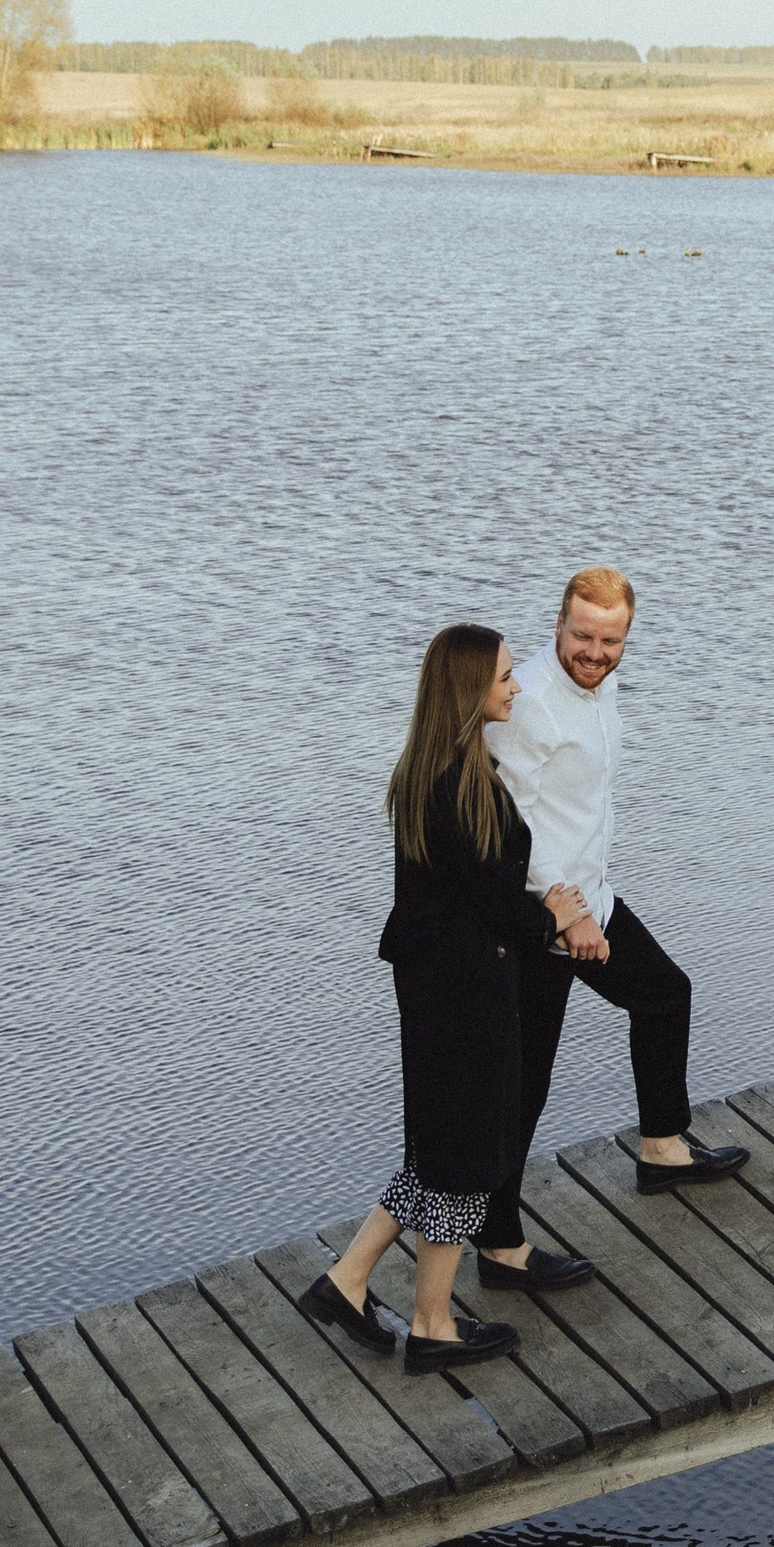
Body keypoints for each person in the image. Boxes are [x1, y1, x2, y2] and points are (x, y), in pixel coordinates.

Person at [298, 623, 601, 1373]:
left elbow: (471, 897)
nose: (516, 686)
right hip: (464, 993)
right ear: (471, 691)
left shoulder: (437, 769)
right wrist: (555, 916)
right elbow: (498, 907)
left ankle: (347, 1280)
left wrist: (537, 913)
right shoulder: (461, 788)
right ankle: (432, 1325)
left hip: (438, 985)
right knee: (469, 1154)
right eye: (503, 677)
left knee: (440, 1148)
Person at [488, 565, 749, 1210]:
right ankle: (498, 1244)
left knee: (664, 995)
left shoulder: (598, 686)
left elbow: (577, 806)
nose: (596, 655)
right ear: (558, 623)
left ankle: (662, 1147)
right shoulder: (528, 702)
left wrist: (591, 902)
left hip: (591, 899)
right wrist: (566, 911)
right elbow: (507, 822)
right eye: (583, 638)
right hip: (540, 917)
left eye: (611, 642)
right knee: (525, 1086)